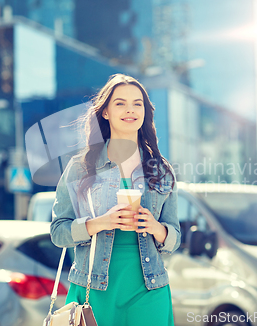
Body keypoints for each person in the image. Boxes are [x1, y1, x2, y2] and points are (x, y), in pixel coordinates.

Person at [50, 73, 180, 326]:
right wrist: (100, 222)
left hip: (148, 289)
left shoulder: (161, 170)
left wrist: (156, 228)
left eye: (137, 103)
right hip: (93, 291)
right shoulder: (81, 167)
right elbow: (58, 232)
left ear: (145, 112)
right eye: (120, 103)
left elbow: (174, 237)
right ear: (106, 112)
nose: (130, 109)